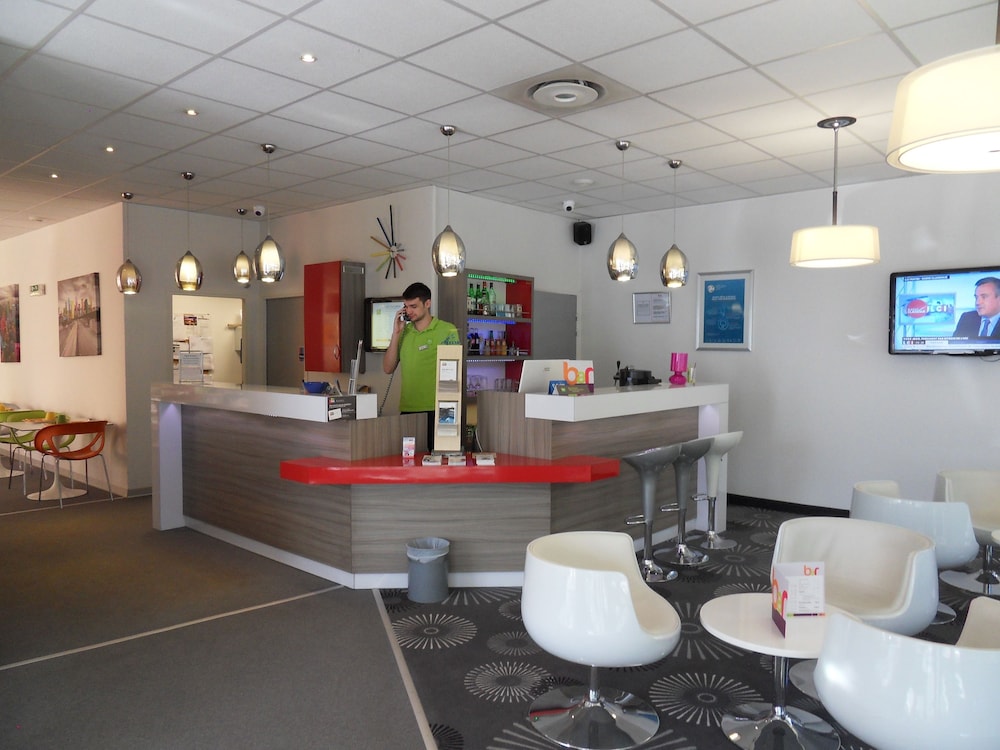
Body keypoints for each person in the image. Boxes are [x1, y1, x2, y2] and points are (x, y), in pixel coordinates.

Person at [383, 282, 460, 451]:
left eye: (413, 306)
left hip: (442, 409)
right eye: (406, 307)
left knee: (442, 459)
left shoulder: (447, 330)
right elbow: (388, 368)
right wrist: (396, 333)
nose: (409, 311)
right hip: (409, 409)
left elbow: (454, 372)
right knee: (410, 461)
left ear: (428, 304)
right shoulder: (404, 332)